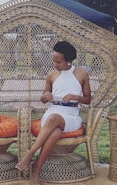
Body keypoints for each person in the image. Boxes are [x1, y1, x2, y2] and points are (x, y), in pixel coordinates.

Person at [15, 41, 91, 185]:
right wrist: (45, 97)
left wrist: (75, 97)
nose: (55, 64)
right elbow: (43, 99)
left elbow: (88, 99)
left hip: (71, 116)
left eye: (58, 61)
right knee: (55, 131)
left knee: (54, 118)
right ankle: (36, 170)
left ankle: (29, 155)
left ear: (68, 61)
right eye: (53, 60)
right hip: (53, 112)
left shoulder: (81, 74)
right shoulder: (51, 75)